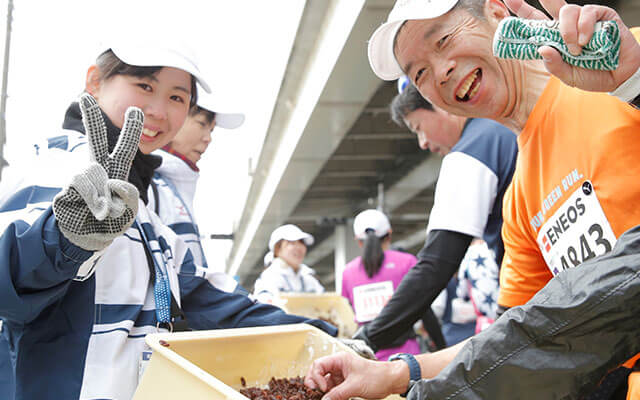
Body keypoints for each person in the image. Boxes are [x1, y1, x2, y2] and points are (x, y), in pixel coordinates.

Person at [305, 0, 640, 398]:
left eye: (444, 39)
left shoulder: (620, 62)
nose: (442, 72)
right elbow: (512, 337)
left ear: (498, 13)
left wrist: (634, 84)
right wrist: (395, 373)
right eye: (421, 73)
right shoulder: (518, 202)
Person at [0, 39, 336, 400]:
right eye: (144, 86)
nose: (158, 111)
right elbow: (9, 285)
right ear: (95, 82)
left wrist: (325, 335)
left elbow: (208, 299)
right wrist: (66, 238)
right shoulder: (59, 166)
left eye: (177, 98)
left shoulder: (141, 207)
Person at [352, 82, 516, 352]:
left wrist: (368, 338)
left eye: (418, 128)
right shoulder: (504, 127)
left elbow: (434, 265)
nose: (423, 143)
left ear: (440, 104)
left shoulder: (468, 154)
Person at [148, 89, 246, 294]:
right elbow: (185, 284)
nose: (208, 139)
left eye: (211, 130)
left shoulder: (171, 186)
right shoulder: (150, 185)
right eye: (202, 124)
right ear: (174, 117)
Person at [341, 209, 422, 360]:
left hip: (367, 358)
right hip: (407, 356)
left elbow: (348, 312)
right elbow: (423, 307)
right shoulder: (408, 262)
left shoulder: (348, 272)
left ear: (358, 241)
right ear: (389, 235)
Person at [253, 224, 325, 303]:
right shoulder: (269, 278)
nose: (299, 247)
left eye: (301, 242)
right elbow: (266, 309)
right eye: (291, 243)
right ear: (277, 249)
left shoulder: (309, 278)